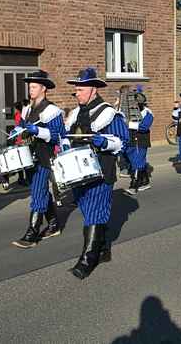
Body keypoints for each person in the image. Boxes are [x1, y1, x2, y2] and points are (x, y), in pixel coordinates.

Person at [63, 68, 129, 279]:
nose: (76, 93)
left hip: (101, 169)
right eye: (76, 90)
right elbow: (68, 137)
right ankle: (103, 249)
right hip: (79, 171)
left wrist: (104, 142)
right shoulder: (75, 113)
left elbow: (122, 142)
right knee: (88, 209)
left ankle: (87, 260)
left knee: (94, 211)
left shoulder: (108, 113)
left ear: (92, 89)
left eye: (80, 89)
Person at [12, 70, 66, 249]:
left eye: (34, 87)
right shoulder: (28, 108)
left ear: (43, 88)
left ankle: (32, 233)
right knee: (41, 191)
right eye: (30, 87)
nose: (30, 90)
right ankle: (54, 224)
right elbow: (23, 129)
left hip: (44, 157)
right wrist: (18, 131)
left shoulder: (53, 111)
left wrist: (38, 131)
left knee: (37, 193)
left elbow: (59, 135)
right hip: (30, 156)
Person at [126, 88, 154, 195]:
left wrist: (129, 124)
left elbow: (144, 127)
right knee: (135, 161)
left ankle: (134, 185)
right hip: (131, 139)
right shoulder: (129, 111)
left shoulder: (148, 113)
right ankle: (145, 182)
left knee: (138, 161)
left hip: (141, 140)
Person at [0, 101, 27, 190]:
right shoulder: (18, 115)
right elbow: (18, 127)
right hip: (18, 140)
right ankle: (19, 179)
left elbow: (21, 127)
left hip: (20, 139)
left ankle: (20, 179)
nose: (14, 110)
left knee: (20, 160)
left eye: (15, 108)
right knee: (18, 160)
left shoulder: (20, 115)